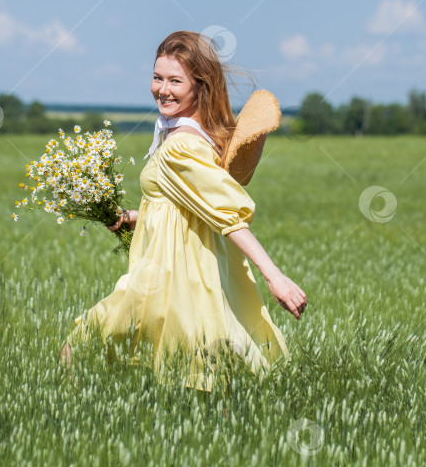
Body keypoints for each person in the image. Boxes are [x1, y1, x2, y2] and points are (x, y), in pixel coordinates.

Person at [60, 30, 307, 393]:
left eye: (175, 81)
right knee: (201, 371)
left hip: (174, 276)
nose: (163, 89)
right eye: (157, 77)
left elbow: (225, 215)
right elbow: (183, 205)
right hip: (179, 273)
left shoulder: (181, 146)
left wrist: (274, 276)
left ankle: (71, 411)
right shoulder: (190, 135)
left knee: (81, 344)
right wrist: (131, 216)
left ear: (200, 87)